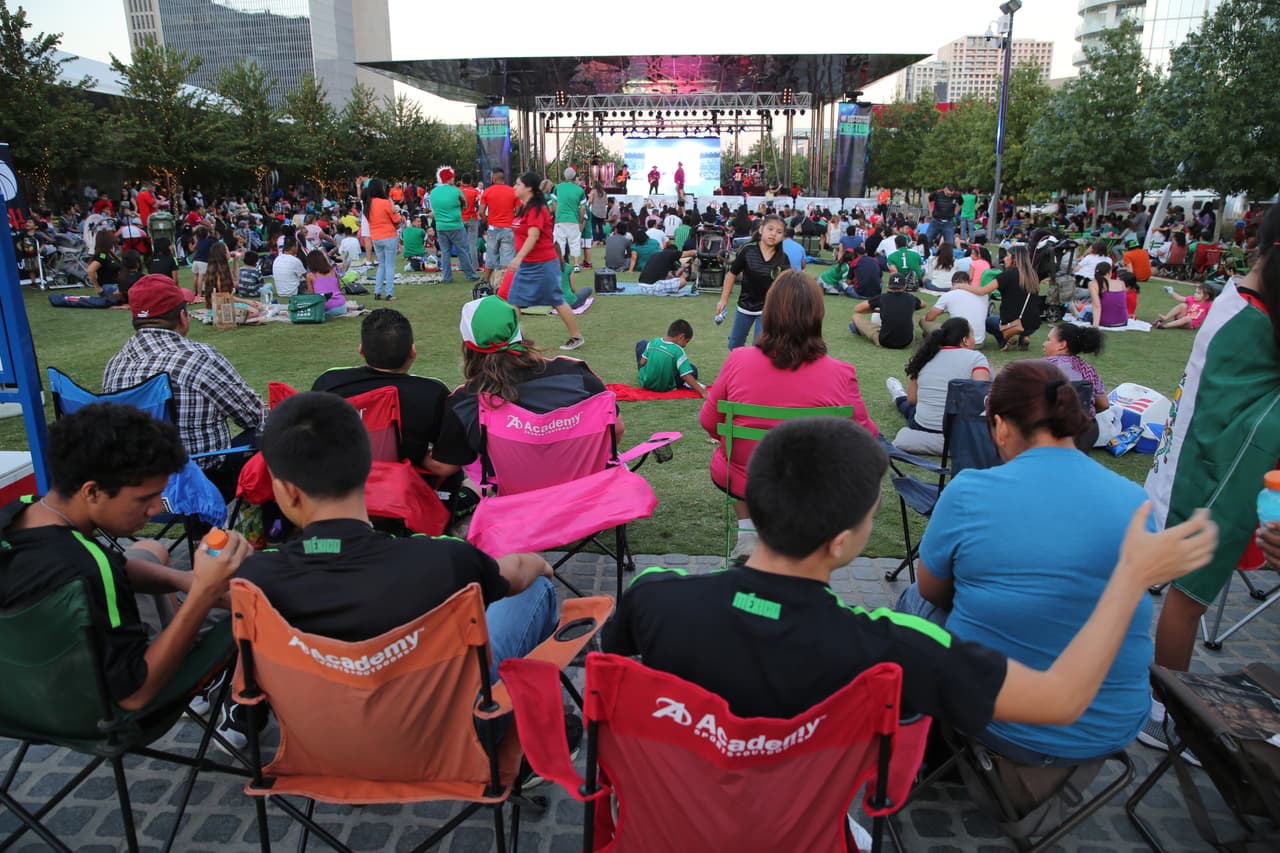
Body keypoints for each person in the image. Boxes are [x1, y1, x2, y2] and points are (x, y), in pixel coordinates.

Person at [603, 414, 1218, 756]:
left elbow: (610, 665)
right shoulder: (896, 649)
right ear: (843, 542)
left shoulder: (655, 594)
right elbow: (1060, 700)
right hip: (803, 825)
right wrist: (1131, 575)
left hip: (668, 812)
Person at [890, 359, 1201, 768]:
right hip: (1114, 722)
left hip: (1004, 720)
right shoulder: (1132, 499)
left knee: (913, 604)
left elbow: (932, 592)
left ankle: (916, 743)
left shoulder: (970, 491)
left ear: (1000, 426)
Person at [234, 391, 560, 696]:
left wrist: (182, 580)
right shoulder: (444, 560)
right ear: (367, 469)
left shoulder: (255, 578)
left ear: (287, 490)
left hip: (315, 746)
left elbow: (216, 589)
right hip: (447, 740)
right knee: (532, 587)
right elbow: (516, 570)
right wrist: (541, 564)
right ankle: (547, 725)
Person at [0, 403, 250, 711]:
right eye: (144, 498)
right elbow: (134, 695)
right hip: (94, 713)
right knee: (239, 613)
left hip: (16, 695)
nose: (157, 509)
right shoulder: (88, 569)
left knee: (149, 550)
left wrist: (185, 580)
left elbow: (112, 566)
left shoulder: (23, 512)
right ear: (92, 492)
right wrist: (203, 593)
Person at [1141, 205, 1280, 757]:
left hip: (1209, 460)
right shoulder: (1249, 315)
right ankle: (1163, 712)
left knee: (1185, 591)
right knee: (1189, 594)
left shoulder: (1243, 299)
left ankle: (1164, 702)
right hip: (1217, 467)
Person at [701, 271, 878, 561]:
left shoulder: (739, 360)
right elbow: (866, 437)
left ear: (768, 312)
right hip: (809, 480)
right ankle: (790, 542)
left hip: (743, 476)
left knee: (747, 461)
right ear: (817, 315)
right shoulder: (840, 372)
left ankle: (749, 534)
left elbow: (709, 422)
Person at [103, 276, 264, 499]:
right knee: (273, 430)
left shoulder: (115, 363)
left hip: (133, 488)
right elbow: (253, 416)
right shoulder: (198, 358)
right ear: (182, 316)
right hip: (199, 483)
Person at [430, 296, 614, 475]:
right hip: (586, 492)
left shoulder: (465, 401)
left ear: (468, 346)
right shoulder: (576, 373)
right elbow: (616, 428)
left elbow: (445, 467)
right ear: (517, 332)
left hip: (514, 501)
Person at [503, 172, 585, 350]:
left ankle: (576, 336)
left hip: (543, 263)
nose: (514, 187)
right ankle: (511, 339)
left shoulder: (536, 209)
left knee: (556, 299)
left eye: (517, 184)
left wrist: (517, 258)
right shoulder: (525, 206)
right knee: (514, 299)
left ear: (529, 188)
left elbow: (533, 235)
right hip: (528, 264)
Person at [885, 317, 990, 454]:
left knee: (910, 407)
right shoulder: (977, 358)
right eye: (972, 335)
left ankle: (898, 395)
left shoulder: (925, 356)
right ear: (965, 340)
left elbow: (912, 399)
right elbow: (980, 397)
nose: (974, 340)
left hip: (923, 425)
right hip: (961, 429)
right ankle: (899, 395)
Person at [715, 214, 789, 350]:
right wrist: (723, 300)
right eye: (770, 229)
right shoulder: (748, 250)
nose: (773, 234)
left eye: (779, 232)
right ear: (761, 230)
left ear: (783, 236)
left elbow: (785, 286)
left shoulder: (783, 259)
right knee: (734, 345)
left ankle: (755, 370)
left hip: (767, 309)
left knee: (759, 348)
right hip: (745, 305)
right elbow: (732, 274)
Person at [1042, 322, 1109, 450]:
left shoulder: (1042, 367)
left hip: (1049, 433)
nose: (1044, 344)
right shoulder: (1088, 369)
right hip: (1084, 434)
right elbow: (1104, 404)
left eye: (1048, 340)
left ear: (1062, 345)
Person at [983, 244, 1043, 351]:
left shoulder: (1007, 275)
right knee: (1020, 319)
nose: (1004, 258)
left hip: (1012, 322)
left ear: (1014, 259)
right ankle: (1024, 337)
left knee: (988, 322)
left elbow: (983, 291)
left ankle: (1006, 340)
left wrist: (963, 286)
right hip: (1033, 323)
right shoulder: (1033, 275)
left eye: (1007, 256)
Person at [850, 273, 924, 349]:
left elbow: (857, 309)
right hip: (907, 342)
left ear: (888, 286)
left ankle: (860, 331)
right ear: (905, 286)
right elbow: (923, 304)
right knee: (912, 309)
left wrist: (877, 310)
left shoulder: (882, 298)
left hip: (884, 341)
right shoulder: (911, 298)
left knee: (855, 317)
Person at [430, 167, 478, 285]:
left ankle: (447, 277)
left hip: (441, 226)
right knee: (463, 250)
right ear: (450, 178)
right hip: (456, 225)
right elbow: (464, 204)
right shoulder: (456, 191)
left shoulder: (433, 192)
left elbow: (433, 207)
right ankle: (470, 275)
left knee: (445, 252)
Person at [636, 319, 705, 396]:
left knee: (642, 343)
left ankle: (649, 375)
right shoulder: (678, 350)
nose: (685, 345)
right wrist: (703, 392)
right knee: (692, 369)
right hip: (665, 387)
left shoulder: (654, 341)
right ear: (681, 337)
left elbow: (642, 362)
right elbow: (686, 376)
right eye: (686, 341)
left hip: (646, 383)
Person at [920, 271, 989, 347]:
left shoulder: (949, 295)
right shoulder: (984, 295)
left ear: (953, 283)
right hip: (979, 343)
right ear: (969, 282)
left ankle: (931, 340)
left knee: (923, 320)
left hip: (957, 344)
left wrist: (943, 310)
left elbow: (929, 317)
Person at [478, 168, 517, 284]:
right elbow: (519, 211)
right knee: (507, 258)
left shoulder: (487, 191)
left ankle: (485, 281)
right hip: (508, 228)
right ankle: (504, 284)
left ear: (494, 178)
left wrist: (487, 222)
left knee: (491, 256)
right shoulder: (512, 191)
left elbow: (481, 212)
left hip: (493, 228)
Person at [364, 178, 401, 300]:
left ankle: (377, 291)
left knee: (381, 265)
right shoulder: (384, 202)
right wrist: (396, 211)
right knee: (390, 266)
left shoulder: (367, 205)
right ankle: (389, 293)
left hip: (376, 237)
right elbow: (396, 219)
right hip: (389, 236)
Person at [549, 167, 586, 267]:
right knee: (575, 242)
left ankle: (561, 263)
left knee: (559, 242)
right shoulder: (580, 190)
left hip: (560, 219)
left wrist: (557, 216)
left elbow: (554, 204)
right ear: (574, 176)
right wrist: (580, 221)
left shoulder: (558, 187)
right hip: (574, 219)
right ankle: (576, 264)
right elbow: (582, 208)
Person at [303, 249, 347, 318]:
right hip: (342, 306)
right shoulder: (333, 271)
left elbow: (311, 295)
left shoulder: (310, 276)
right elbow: (338, 289)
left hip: (326, 308)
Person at [86, 230, 123, 303]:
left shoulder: (110, 254)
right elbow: (90, 270)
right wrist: (98, 288)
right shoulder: (102, 256)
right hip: (110, 287)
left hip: (118, 285)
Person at [271, 233, 307, 299]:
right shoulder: (295, 260)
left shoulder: (277, 259)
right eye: (296, 246)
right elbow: (306, 276)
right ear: (293, 247)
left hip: (280, 293)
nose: (297, 248)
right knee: (311, 279)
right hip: (294, 292)